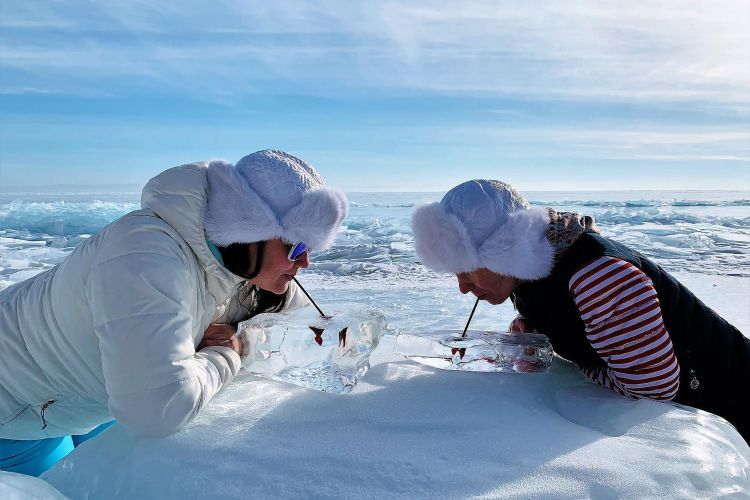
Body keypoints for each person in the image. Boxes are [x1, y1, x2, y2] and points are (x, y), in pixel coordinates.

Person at [0, 149, 348, 475]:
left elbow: (310, 328)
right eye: (297, 246)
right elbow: (156, 413)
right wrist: (228, 352)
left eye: (311, 246)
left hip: (88, 400)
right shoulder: (145, 254)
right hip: (16, 413)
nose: (305, 261)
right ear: (247, 231)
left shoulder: (242, 266)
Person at [411, 179, 749, 442]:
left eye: (469, 268)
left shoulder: (597, 276)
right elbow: (568, 310)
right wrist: (535, 330)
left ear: (507, 250)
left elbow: (652, 386)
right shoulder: (538, 266)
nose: (463, 286)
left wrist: (570, 361)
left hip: (730, 402)